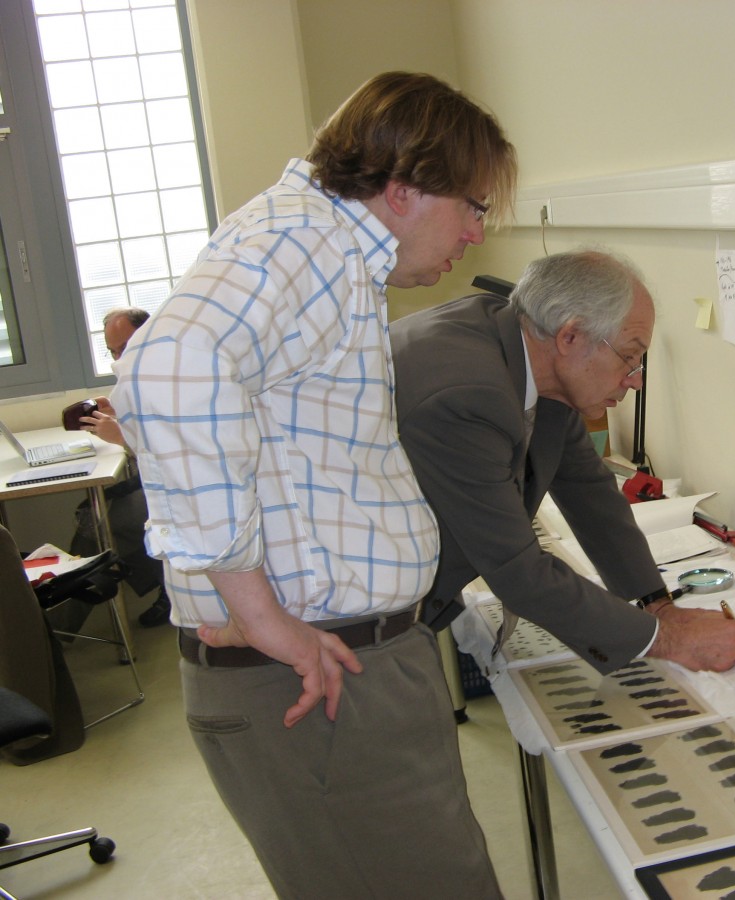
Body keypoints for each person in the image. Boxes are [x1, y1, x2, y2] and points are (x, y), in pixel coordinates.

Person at [110, 72, 517, 899]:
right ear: (404, 189)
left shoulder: (320, 247)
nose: (476, 233)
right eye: (474, 206)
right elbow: (170, 366)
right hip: (317, 680)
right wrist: (259, 613)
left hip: (342, 672)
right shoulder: (309, 245)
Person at [391, 249, 735, 674]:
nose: (636, 380)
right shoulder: (468, 394)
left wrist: (657, 603)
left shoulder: (531, 351)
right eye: (629, 356)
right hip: (344, 629)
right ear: (571, 337)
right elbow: (518, 572)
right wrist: (668, 639)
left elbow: (590, 492)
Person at [69, 307, 171, 627]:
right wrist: (118, 414)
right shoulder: (139, 377)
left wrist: (123, 437)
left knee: (100, 524)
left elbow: (173, 453)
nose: (118, 358)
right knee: (95, 515)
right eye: (112, 351)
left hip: (173, 488)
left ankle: (52, 630)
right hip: (155, 483)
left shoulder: (171, 374)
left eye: (124, 348)